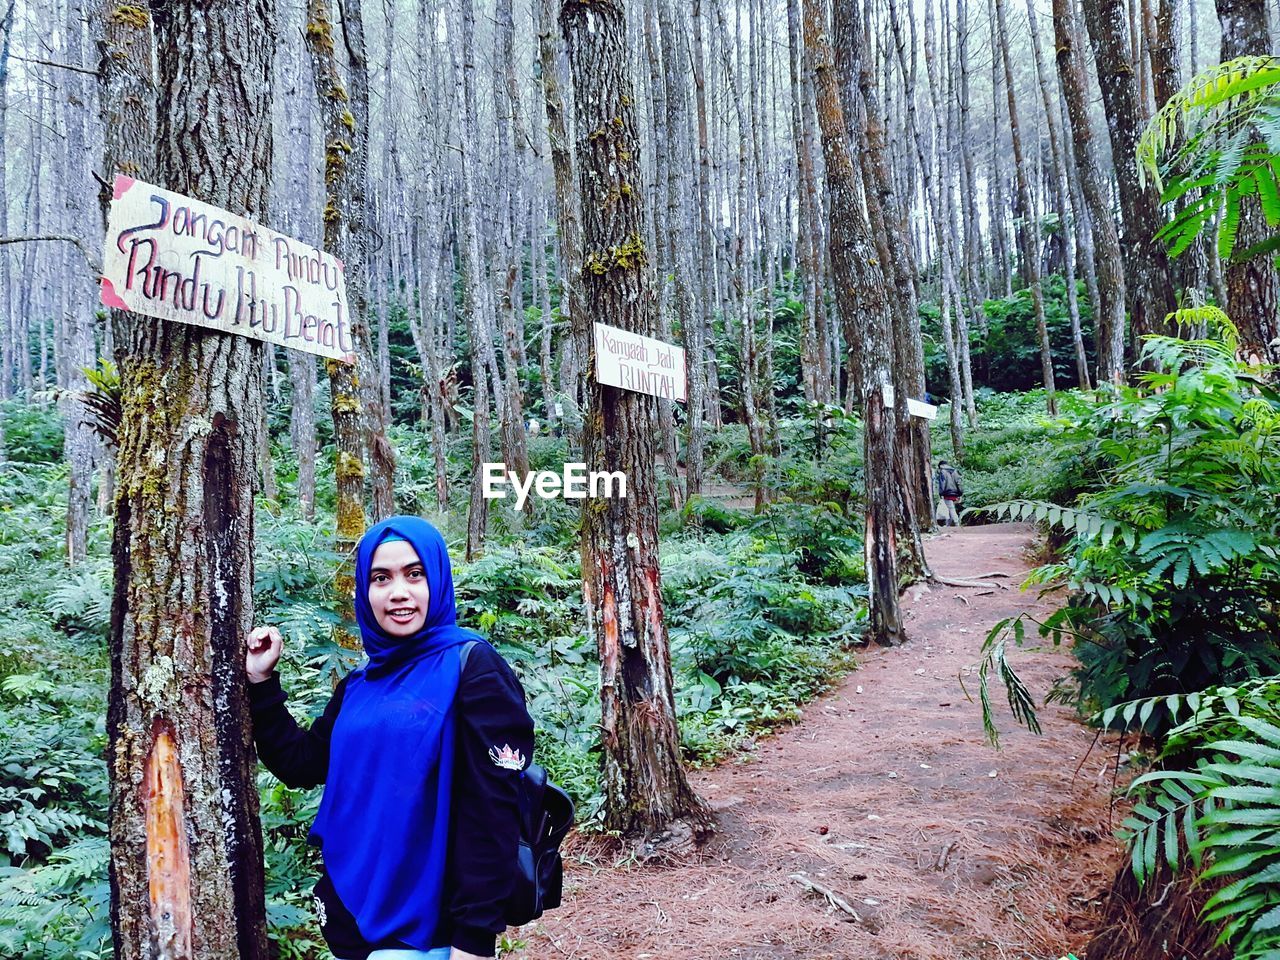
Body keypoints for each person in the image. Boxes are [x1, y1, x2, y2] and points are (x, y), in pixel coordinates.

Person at [245, 516, 535, 960]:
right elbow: (301, 764)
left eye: (414, 574)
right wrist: (262, 683)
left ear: (436, 579)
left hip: (424, 933)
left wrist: (474, 941)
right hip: (351, 925)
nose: (399, 591)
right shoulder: (361, 685)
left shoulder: (473, 670)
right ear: (365, 590)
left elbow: (492, 814)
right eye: (381, 578)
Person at [934, 459, 964, 527]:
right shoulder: (954, 471)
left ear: (941, 466)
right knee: (950, 508)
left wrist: (941, 493)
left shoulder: (943, 472)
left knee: (951, 508)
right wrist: (960, 493)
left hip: (947, 493)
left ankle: (957, 523)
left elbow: (942, 483)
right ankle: (948, 525)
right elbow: (959, 482)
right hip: (955, 493)